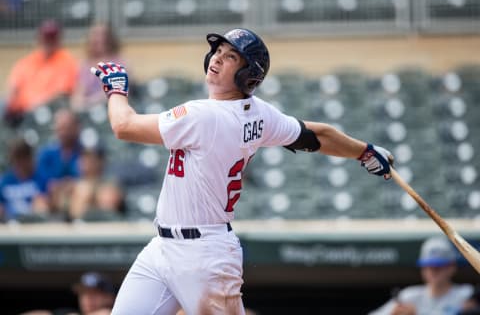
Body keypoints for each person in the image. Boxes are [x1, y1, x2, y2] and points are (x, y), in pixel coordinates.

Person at [90, 28, 393, 314]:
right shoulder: (259, 113)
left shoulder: (204, 115)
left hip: (205, 257)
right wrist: (363, 151)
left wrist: (116, 90)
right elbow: (316, 135)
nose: (218, 58)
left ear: (249, 75)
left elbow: (123, 126)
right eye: (218, 51)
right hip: (163, 247)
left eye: (231, 56)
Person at [369, 236, 473, 315]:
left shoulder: (467, 295)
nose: (433, 271)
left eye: (439, 266)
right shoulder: (409, 296)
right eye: (429, 266)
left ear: (452, 267)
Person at [4, 19, 78, 121]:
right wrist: (13, 103)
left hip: (47, 112)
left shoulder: (66, 61)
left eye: (52, 37)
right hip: (22, 111)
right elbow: (13, 88)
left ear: (58, 39)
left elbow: (62, 93)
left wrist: (34, 105)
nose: (48, 41)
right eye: (46, 37)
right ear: (39, 38)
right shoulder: (27, 61)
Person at [36, 108, 82, 215]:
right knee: (39, 202)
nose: (64, 132)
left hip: (75, 197)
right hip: (52, 198)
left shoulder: (85, 152)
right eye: (60, 128)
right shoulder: (46, 154)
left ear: (76, 128)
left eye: (67, 128)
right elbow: (44, 183)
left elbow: (86, 179)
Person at [70, 23, 126, 111]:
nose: (96, 39)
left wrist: (90, 102)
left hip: (110, 109)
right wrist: (79, 103)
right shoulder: (85, 65)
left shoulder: (119, 63)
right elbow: (78, 93)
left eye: (100, 35)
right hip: (87, 110)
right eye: (94, 35)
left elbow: (116, 93)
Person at [69, 144, 124, 221]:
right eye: (84, 158)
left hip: (106, 228)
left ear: (101, 161)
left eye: (91, 158)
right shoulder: (74, 184)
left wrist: (91, 195)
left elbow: (108, 211)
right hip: (79, 229)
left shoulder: (111, 183)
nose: (86, 162)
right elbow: (75, 213)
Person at [0, 138, 49, 222]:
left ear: (30, 158)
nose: (21, 163)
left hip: (33, 224)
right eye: (17, 158)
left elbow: (45, 204)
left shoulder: (40, 178)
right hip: (10, 224)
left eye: (24, 158)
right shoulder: (6, 181)